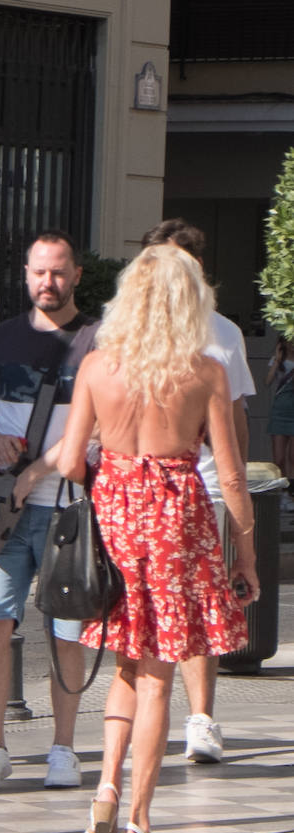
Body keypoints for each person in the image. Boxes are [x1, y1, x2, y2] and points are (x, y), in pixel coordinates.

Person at [58, 245, 257, 833]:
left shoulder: (97, 366)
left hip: (116, 512)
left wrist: (112, 459)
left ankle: (106, 790)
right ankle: (140, 828)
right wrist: (244, 553)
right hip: (177, 520)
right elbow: (230, 475)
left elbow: (67, 463)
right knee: (159, 676)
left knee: (125, 662)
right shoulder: (205, 372)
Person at [0, 231, 98, 791]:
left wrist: (37, 471)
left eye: (58, 272)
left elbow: (98, 427)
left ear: (76, 276)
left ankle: (63, 748)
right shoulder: (3, 338)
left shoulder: (96, 342)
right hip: (4, 513)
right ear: (26, 273)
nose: (48, 282)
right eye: (39, 271)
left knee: (67, 631)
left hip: (68, 510)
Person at [140, 219, 256, 764]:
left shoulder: (224, 333)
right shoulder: (126, 332)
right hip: (140, 492)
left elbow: (235, 423)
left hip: (205, 486)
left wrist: (243, 499)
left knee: (202, 601)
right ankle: (145, 717)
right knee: (142, 606)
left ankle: (202, 718)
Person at [266, 337, 294, 503]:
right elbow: (267, 382)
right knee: (279, 458)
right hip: (279, 412)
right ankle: (282, 492)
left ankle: (291, 493)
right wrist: (276, 360)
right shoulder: (278, 361)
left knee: (293, 457)